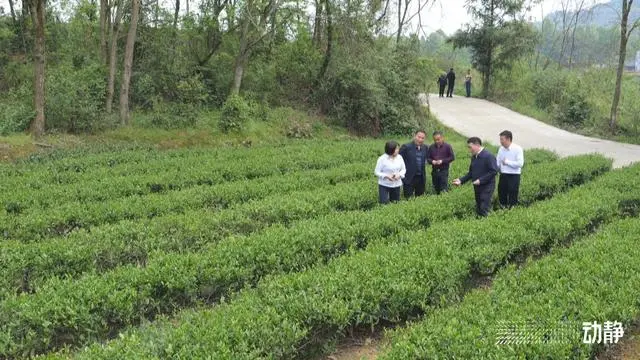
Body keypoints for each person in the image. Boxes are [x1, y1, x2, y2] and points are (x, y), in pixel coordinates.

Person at [453, 137, 498, 217]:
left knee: (484, 208)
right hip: (477, 187)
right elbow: (471, 173)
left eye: (470, 147)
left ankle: (488, 225)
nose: (469, 150)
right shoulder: (474, 157)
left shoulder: (488, 156)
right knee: (479, 207)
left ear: (477, 145)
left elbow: (493, 171)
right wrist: (461, 180)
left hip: (487, 187)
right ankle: (480, 225)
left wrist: (480, 180)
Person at [496, 130, 524, 209]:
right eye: (500, 139)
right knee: (501, 193)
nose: (500, 141)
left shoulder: (518, 149)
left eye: (502, 139)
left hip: (514, 175)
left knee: (512, 194)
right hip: (503, 174)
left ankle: (512, 211)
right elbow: (497, 162)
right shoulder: (501, 149)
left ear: (508, 139)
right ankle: (503, 209)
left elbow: (520, 164)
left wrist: (507, 162)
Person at [399, 130, 428, 198]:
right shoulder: (406, 147)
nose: (420, 139)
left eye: (422, 138)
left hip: (421, 178)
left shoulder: (425, 147)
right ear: (415, 136)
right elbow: (398, 161)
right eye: (419, 137)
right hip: (409, 178)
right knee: (408, 199)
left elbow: (428, 159)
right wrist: (402, 177)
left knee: (420, 199)